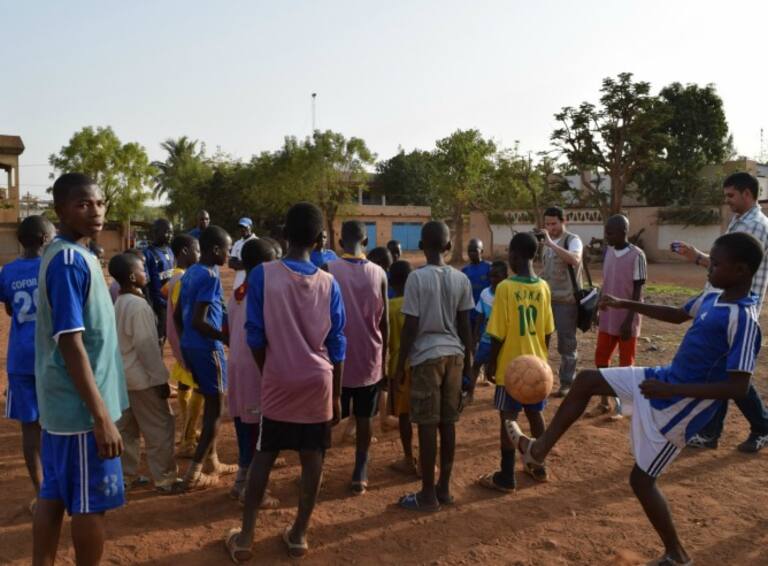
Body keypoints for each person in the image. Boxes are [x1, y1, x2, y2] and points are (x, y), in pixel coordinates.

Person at [507, 231, 763, 566]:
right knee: (586, 381)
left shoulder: (744, 319)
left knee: (641, 481)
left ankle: (677, 555)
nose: (708, 268)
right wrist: (624, 303)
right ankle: (537, 451)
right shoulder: (714, 297)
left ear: (741, 270)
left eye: (715, 264)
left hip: (679, 407)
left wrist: (672, 391)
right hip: (664, 379)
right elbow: (676, 315)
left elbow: (738, 388)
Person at [225, 203, 346, 561]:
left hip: (278, 378)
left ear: (284, 234)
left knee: (265, 453)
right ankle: (299, 534)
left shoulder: (262, 275)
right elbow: (338, 343)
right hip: (319, 382)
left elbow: (255, 335)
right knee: (313, 457)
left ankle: (245, 537)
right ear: (321, 239)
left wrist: (270, 370)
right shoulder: (329, 283)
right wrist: (337, 395)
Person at [34, 173, 129, 565]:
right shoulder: (69, 262)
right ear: (61, 211)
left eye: (100, 202)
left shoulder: (73, 255)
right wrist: (101, 417)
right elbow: (71, 343)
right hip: (81, 414)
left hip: (64, 409)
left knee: (54, 494)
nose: (95, 211)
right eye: (83, 204)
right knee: (90, 505)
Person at [673, 172, 768, 452]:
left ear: (747, 194)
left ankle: (761, 426)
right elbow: (722, 264)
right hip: (724, 302)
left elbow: (729, 267)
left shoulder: (755, 226)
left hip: (737, 308)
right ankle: (711, 431)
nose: (727, 201)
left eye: (731, 195)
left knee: (731, 373)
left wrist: (698, 258)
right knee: (720, 368)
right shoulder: (740, 221)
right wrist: (697, 257)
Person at [394, 221, 474, 511]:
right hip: (455, 356)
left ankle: (427, 494)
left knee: (427, 425)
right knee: (448, 423)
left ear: (420, 245)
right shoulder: (461, 279)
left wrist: (400, 365)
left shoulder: (416, 279)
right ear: (449, 246)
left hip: (426, 358)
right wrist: (469, 365)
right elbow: (465, 326)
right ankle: (444, 488)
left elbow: (410, 326)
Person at [478, 233, 554, 492]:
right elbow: (547, 331)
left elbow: (497, 334)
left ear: (515, 256)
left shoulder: (505, 288)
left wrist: (491, 363)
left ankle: (506, 475)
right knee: (535, 414)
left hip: (511, 367)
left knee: (508, 418)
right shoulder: (543, 287)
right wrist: (542, 360)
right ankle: (539, 465)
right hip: (536, 365)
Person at [111, 253, 182, 495]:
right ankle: (165, 479)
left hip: (123, 378)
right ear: (132, 277)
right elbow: (146, 348)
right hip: (142, 379)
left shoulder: (119, 302)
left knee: (126, 429)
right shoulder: (138, 306)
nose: (146, 273)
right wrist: (160, 380)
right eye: (142, 270)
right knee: (160, 427)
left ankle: (125, 475)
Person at [328, 221, 388, 495]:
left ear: (341, 242)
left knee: (327, 416)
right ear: (366, 242)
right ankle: (360, 470)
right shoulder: (380, 273)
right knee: (365, 418)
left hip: (335, 360)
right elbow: (385, 323)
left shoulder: (328, 269)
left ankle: (316, 466)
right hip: (369, 358)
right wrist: (385, 361)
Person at [0, 215, 55, 511]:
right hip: (54, 358)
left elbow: (10, 308)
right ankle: (60, 488)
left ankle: (41, 493)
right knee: (59, 424)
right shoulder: (53, 266)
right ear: (46, 239)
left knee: (30, 431)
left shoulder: (8, 271)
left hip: (21, 359)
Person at [176, 225, 236, 490]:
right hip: (208, 349)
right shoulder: (210, 276)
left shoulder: (190, 272)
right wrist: (225, 338)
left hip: (191, 346)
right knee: (215, 410)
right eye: (227, 249)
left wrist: (185, 345)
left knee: (210, 403)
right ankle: (195, 473)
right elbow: (199, 321)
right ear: (215, 249)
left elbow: (178, 316)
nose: (229, 254)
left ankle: (213, 461)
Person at [226, 238, 280, 507]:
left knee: (243, 426)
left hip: (237, 366)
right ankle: (252, 489)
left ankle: (241, 480)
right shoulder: (263, 296)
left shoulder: (238, 292)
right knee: (259, 431)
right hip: (255, 368)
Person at [586, 214, 647, 419]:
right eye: (606, 232)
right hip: (608, 316)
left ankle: (624, 406)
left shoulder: (637, 256)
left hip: (627, 318)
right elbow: (606, 283)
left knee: (626, 365)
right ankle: (604, 402)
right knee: (601, 359)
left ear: (623, 232)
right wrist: (597, 308)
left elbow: (638, 291)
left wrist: (629, 320)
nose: (607, 236)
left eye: (610, 233)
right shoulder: (609, 252)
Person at [164, 234, 203, 459]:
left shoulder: (175, 276)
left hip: (182, 344)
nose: (200, 254)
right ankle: (188, 440)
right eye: (197, 249)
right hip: (188, 344)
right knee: (199, 389)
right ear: (185, 251)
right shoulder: (182, 279)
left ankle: (189, 430)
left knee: (185, 385)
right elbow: (184, 316)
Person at [538, 206, 583, 397]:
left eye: (554, 224)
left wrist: (551, 244)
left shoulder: (573, 240)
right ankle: (539, 378)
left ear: (564, 221)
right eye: (547, 224)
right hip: (547, 300)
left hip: (566, 301)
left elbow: (575, 259)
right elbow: (546, 269)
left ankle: (566, 383)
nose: (550, 228)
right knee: (541, 341)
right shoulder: (546, 242)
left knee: (567, 344)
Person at [387, 260, 419, 476]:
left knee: (404, 416)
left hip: (399, 368)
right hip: (421, 363)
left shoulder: (389, 307)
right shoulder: (419, 304)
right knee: (426, 416)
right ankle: (426, 460)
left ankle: (409, 459)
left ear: (390, 282)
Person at [468, 261, 509, 402]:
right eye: (490, 276)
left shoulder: (509, 294)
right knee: (476, 364)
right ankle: (470, 394)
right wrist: (475, 337)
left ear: (505, 276)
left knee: (502, 369)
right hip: (486, 339)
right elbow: (480, 316)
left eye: (496, 276)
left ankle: (501, 395)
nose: (493, 279)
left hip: (503, 341)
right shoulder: (485, 293)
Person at [144, 219, 175, 343]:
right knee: (158, 338)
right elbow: (146, 283)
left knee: (168, 334)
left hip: (171, 303)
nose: (170, 235)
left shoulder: (170, 251)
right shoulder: (148, 254)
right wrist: (150, 306)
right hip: (158, 304)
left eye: (172, 232)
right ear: (156, 232)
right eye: (167, 232)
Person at [461, 238, 492, 323]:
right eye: (469, 251)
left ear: (481, 251)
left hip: (486, 311)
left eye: (474, 250)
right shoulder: (465, 270)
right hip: (471, 312)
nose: (472, 253)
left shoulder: (489, 267)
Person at [228, 217, 257, 292]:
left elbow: (257, 263)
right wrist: (248, 264)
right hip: (239, 282)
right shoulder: (237, 243)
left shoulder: (257, 242)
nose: (242, 229)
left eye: (245, 227)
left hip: (253, 281)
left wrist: (239, 264)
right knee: (238, 298)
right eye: (240, 227)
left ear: (251, 227)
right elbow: (231, 263)